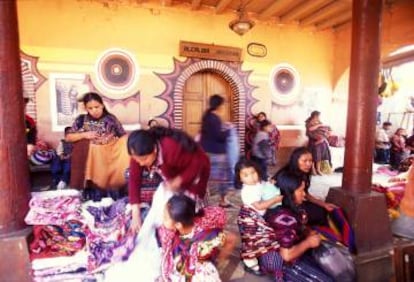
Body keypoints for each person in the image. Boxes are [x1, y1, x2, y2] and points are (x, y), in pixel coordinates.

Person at [127, 126, 211, 235]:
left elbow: (197, 163)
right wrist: (135, 214)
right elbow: (134, 180)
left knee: (193, 212)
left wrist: (179, 180)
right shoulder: (138, 153)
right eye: (137, 160)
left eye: (144, 160)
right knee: (173, 208)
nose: (141, 164)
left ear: (155, 150)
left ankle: (197, 234)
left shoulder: (170, 147)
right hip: (176, 177)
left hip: (197, 170)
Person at [273, 147, 355, 252]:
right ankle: (320, 235)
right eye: (304, 161)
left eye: (310, 161)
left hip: (297, 203)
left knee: (322, 210)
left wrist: (323, 204)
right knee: (314, 214)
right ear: (295, 160)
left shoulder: (303, 174)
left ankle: (332, 237)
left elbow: (305, 194)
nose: (308, 164)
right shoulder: (286, 175)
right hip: (285, 206)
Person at [265, 171, 334, 281]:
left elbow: (297, 228)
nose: (304, 194)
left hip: (289, 249)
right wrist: (308, 243)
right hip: (280, 259)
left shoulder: (292, 208)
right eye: (301, 190)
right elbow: (286, 255)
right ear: (289, 193)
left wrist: (306, 232)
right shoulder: (284, 218)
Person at [157, 194, 236, 281]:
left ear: (178, 225)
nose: (162, 219)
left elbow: (231, 239)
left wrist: (219, 260)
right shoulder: (169, 234)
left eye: (165, 217)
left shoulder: (207, 235)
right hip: (182, 268)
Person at [65, 92, 129, 198]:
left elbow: (123, 135)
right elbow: (68, 137)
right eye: (90, 108)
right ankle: (90, 189)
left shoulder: (111, 119)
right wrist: (84, 135)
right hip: (91, 154)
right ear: (86, 108)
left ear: (102, 105)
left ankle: (115, 185)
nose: (94, 110)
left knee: (127, 142)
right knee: (88, 146)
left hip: (110, 151)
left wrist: (109, 137)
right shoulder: (81, 119)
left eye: (97, 107)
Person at [235, 159, 283, 276]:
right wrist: (275, 200)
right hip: (249, 220)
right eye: (246, 175)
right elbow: (260, 206)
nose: (251, 177)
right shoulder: (247, 191)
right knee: (251, 241)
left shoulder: (259, 183)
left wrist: (271, 183)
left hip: (258, 218)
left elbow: (265, 187)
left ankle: (260, 254)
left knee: (260, 238)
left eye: (253, 173)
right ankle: (250, 264)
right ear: (240, 178)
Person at [199, 94, 233, 207]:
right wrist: (228, 130)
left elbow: (209, 134)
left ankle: (203, 201)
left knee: (207, 176)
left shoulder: (207, 116)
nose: (224, 106)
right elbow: (219, 136)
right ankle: (223, 201)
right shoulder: (215, 118)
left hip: (207, 150)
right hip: (218, 152)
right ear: (219, 105)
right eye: (223, 104)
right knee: (222, 178)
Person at [305, 111, 332, 175]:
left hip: (321, 140)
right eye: (318, 116)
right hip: (313, 141)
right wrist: (319, 125)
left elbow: (325, 129)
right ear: (314, 116)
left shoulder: (320, 122)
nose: (318, 117)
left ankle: (318, 169)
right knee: (314, 154)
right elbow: (310, 129)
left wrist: (325, 135)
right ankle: (313, 168)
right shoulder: (309, 122)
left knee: (321, 154)